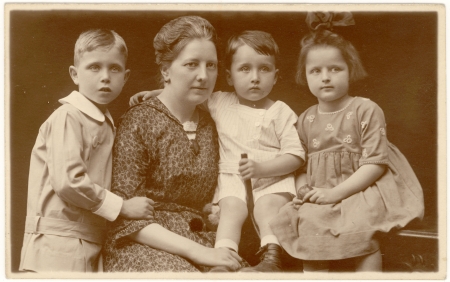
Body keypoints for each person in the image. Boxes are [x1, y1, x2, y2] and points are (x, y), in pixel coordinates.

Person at [130, 30, 305, 273]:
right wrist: (156, 93)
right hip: (232, 175)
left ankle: (271, 260)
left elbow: (296, 155)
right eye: (245, 69)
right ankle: (224, 258)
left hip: (272, 175)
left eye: (264, 69)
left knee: (267, 207)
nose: (255, 78)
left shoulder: (281, 111)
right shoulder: (221, 101)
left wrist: (262, 168)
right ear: (229, 76)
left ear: (276, 77)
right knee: (231, 210)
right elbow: (184, 93)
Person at [269, 12, 424, 272]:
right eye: (315, 71)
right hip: (323, 189)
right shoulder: (306, 119)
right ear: (304, 75)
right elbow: (301, 165)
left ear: (350, 70)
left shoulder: (366, 109)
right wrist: (304, 189)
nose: (325, 77)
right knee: (308, 222)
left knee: (363, 227)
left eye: (335, 69)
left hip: (364, 187)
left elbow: (375, 163)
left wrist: (336, 194)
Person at [102, 16, 244, 272]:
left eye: (210, 65)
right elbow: (126, 216)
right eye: (191, 64)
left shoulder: (214, 121)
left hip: (203, 240)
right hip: (144, 246)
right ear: (166, 70)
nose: (203, 76)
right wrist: (199, 253)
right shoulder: (139, 120)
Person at [19, 29, 154, 273]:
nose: (105, 77)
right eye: (94, 67)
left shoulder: (102, 120)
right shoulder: (68, 117)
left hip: (88, 238)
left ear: (126, 77)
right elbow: (68, 182)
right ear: (75, 74)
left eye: (114, 69)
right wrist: (122, 207)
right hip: (57, 243)